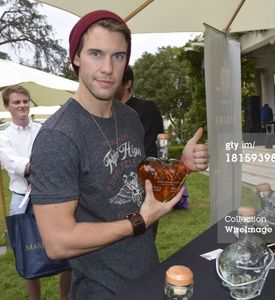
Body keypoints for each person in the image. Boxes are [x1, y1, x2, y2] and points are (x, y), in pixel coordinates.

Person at [29, 10, 209, 300]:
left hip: (148, 272)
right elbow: (58, 242)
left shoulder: (129, 118)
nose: (108, 68)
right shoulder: (58, 136)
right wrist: (139, 221)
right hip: (101, 289)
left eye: (118, 56)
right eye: (96, 54)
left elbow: (139, 185)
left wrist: (183, 166)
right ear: (76, 57)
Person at [0, 85, 71, 300]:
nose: (22, 105)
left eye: (25, 101)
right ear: (6, 106)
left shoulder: (44, 129)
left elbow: (58, 158)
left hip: (51, 197)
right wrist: (40, 166)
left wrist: (42, 167)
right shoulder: (3, 138)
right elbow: (15, 164)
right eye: (16, 102)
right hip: (21, 200)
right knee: (26, 253)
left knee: (67, 247)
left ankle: (64, 296)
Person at [115, 65, 164, 157]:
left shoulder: (146, 109)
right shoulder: (105, 113)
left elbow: (151, 153)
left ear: (127, 84)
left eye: (114, 80)